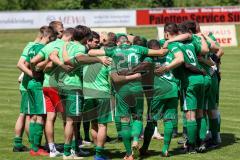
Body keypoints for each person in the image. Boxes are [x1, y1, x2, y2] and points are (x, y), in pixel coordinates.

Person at [88, 35, 167, 160]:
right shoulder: (138, 49)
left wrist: (100, 58)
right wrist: (168, 43)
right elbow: (162, 52)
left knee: (125, 121)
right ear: (129, 43)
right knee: (137, 117)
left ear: (119, 43)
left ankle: (129, 154)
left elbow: (91, 52)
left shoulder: (114, 50)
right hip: (137, 88)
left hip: (122, 89)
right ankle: (136, 139)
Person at [60, 25, 111, 160]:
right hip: (73, 86)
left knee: (71, 121)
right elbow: (80, 58)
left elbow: (66, 61)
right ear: (85, 37)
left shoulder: (67, 45)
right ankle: (67, 153)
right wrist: (98, 59)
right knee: (72, 121)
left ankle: (73, 150)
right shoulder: (80, 48)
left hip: (62, 86)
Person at [18, 26, 55, 156]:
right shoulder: (43, 49)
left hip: (29, 85)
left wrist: (31, 72)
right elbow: (38, 65)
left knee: (33, 116)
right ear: (49, 37)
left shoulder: (33, 47)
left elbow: (27, 63)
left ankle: (35, 147)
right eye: (52, 39)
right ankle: (36, 148)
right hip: (38, 85)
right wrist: (46, 63)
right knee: (40, 116)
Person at [14, 29, 43, 152]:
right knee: (26, 115)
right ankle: (28, 144)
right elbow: (21, 64)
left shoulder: (31, 45)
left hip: (26, 85)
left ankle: (23, 143)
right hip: (27, 85)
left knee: (27, 114)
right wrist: (32, 74)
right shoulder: (32, 46)